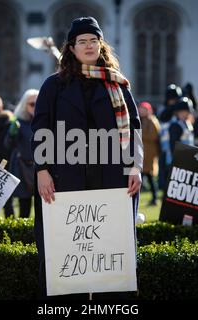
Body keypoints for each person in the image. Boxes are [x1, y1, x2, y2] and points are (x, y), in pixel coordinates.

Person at [31, 16, 143, 299]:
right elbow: (41, 129)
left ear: (101, 45)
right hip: (66, 175)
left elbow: (134, 128)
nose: (89, 45)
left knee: (110, 249)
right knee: (67, 252)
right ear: (71, 48)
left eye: (94, 40)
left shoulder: (118, 85)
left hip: (112, 175)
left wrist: (136, 166)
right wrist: (41, 170)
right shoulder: (53, 86)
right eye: (83, 41)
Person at [4, 89, 39, 218]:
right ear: (25, 105)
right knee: (24, 203)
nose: (35, 107)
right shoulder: (18, 122)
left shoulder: (44, 121)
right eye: (32, 104)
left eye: (38, 103)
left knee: (42, 204)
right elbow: (7, 145)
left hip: (41, 167)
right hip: (22, 166)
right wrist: (11, 134)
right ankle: (22, 233)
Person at [139, 101, 160, 206]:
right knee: (141, 177)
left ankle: (155, 198)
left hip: (150, 154)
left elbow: (154, 136)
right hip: (143, 154)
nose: (141, 111)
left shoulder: (152, 121)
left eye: (144, 109)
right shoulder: (141, 120)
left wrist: (140, 135)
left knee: (151, 178)